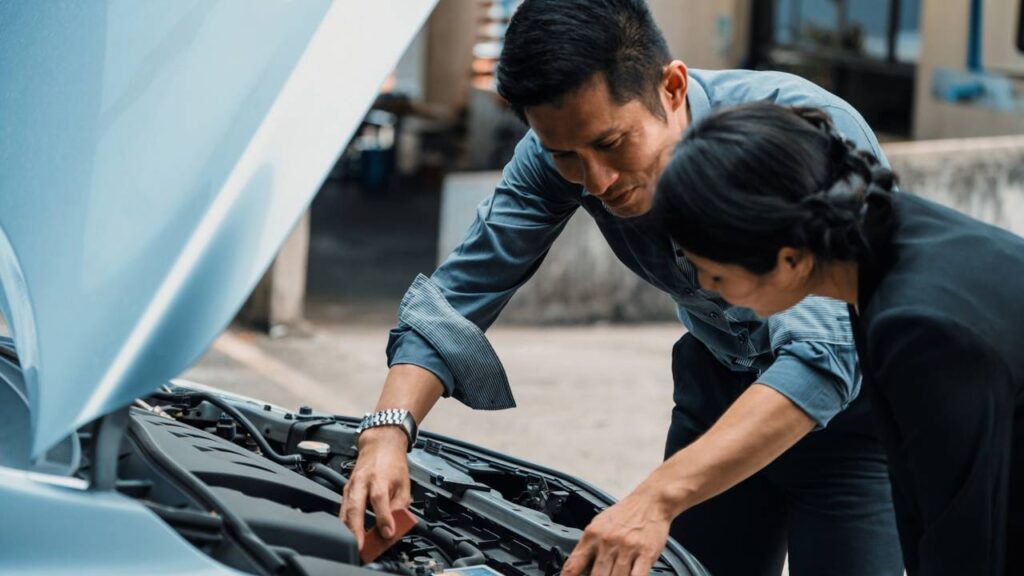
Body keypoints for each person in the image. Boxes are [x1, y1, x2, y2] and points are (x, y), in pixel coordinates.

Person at [341, 2, 904, 575]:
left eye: (612, 144)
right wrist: (387, 433)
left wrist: (655, 497)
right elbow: (458, 296)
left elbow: (821, 356)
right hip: (716, 388)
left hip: (852, 427)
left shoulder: (802, 130)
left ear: (673, 86)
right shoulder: (556, 153)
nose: (597, 181)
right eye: (566, 156)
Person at [651, 101, 1024, 575]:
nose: (704, 289)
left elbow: (965, 542)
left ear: (790, 261)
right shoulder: (891, 235)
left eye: (716, 276)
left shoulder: (917, 327)